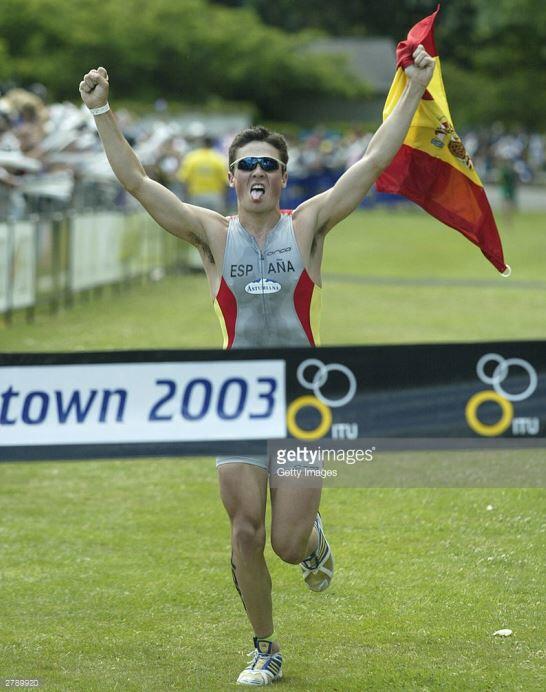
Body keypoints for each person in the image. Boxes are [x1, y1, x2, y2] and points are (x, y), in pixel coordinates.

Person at [79, 45, 435, 686]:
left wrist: (413, 87)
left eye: (268, 165)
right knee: (245, 528)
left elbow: (376, 158)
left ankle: (313, 536)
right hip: (235, 398)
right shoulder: (210, 234)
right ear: (233, 178)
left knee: (286, 544)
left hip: (302, 401)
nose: (257, 174)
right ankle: (264, 648)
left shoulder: (311, 225)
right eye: (246, 165)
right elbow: (136, 182)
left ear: (283, 175)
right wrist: (102, 110)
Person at [176, 134, 228, 268]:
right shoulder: (219, 159)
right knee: (216, 229)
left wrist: (185, 198)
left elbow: (183, 179)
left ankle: (197, 262)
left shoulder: (191, 158)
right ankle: (217, 260)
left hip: (196, 196)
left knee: (196, 229)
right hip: (214, 196)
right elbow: (225, 182)